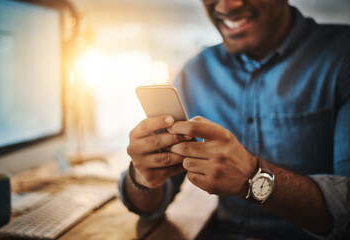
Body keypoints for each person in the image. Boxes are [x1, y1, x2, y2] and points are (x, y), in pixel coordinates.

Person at [119, 0, 350, 239]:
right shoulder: (196, 73)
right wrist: (142, 177)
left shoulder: (342, 57)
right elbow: (151, 205)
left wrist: (252, 177)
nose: (227, 6)